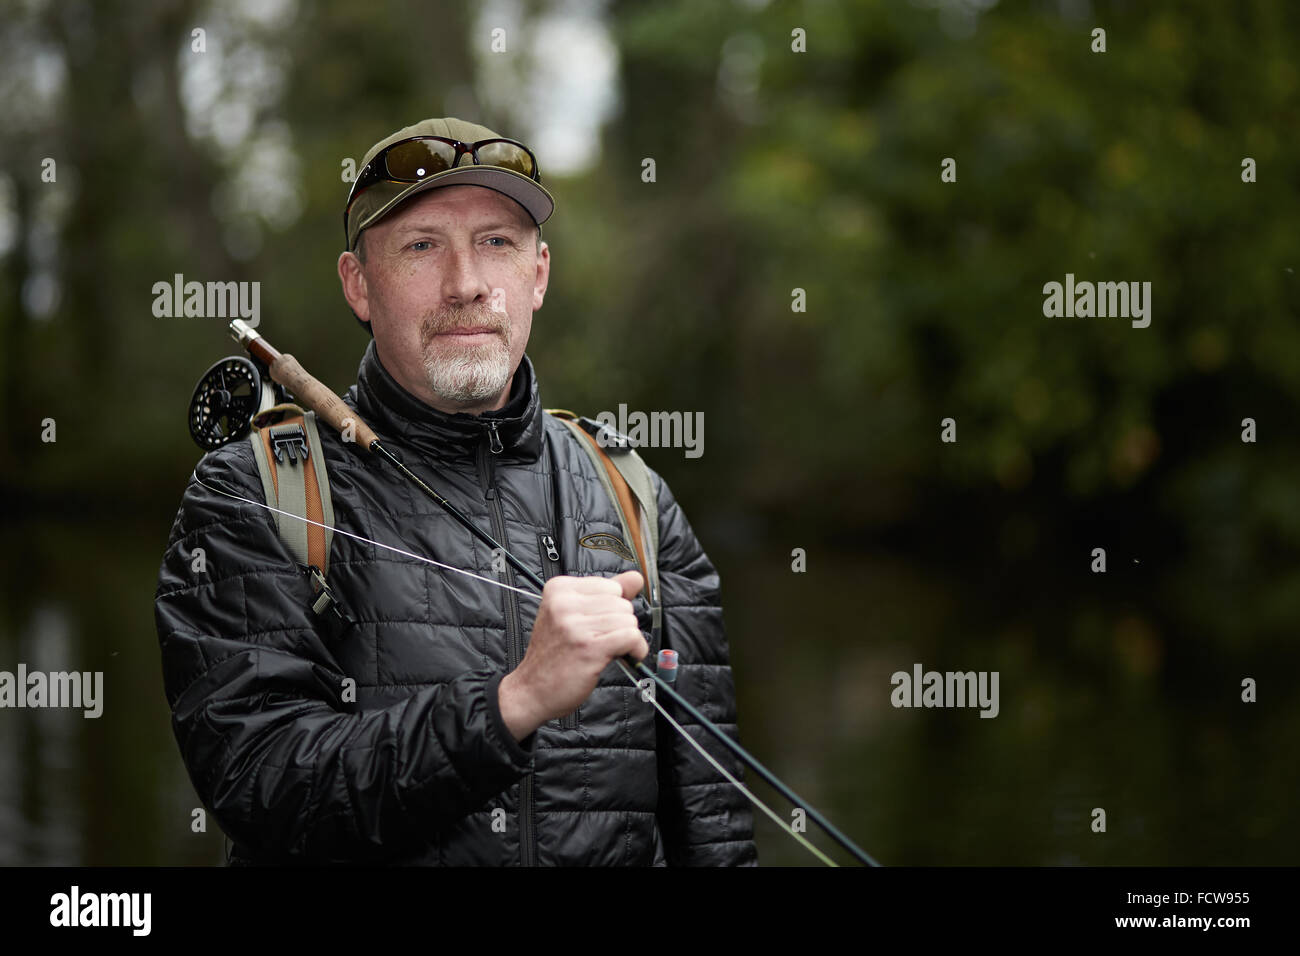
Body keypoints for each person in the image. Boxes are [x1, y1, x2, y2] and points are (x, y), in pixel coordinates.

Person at [154, 117, 757, 866]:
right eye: (421, 245)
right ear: (359, 285)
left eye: (496, 243)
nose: (466, 284)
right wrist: (510, 706)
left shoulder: (631, 489)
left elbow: (715, 819)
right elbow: (262, 786)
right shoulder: (257, 492)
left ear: (538, 275)